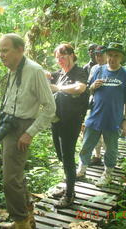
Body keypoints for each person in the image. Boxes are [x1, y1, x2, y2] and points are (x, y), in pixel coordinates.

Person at [0, 33, 56, 229]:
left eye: (5, 50)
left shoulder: (34, 70)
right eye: (0, 50)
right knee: (16, 177)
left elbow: (50, 107)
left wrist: (30, 132)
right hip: (9, 126)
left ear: (20, 50)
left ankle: (22, 228)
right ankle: (26, 218)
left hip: (21, 128)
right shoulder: (14, 70)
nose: (1, 55)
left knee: (9, 181)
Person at [77, 42, 126, 186]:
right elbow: (88, 91)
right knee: (86, 145)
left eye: (116, 56)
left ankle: (107, 174)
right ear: (106, 55)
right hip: (95, 116)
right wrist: (92, 87)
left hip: (113, 119)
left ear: (121, 58)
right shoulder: (98, 70)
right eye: (110, 55)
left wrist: (125, 120)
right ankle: (81, 169)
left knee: (111, 149)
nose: (112, 58)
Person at [47, 43, 89, 208]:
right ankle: (67, 186)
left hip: (71, 121)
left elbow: (80, 88)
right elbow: (44, 76)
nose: (60, 60)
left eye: (63, 56)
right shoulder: (59, 74)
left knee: (68, 157)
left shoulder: (79, 72)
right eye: (57, 58)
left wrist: (58, 87)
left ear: (72, 55)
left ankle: (70, 194)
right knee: (60, 155)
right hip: (56, 120)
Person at [89, 45, 107, 165]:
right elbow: (88, 88)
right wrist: (93, 86)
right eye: (97, 55)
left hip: (108, 106)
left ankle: (107, 159)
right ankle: (97, 156)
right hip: (95, 104)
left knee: (107, 133)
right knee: (94, 131)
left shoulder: (113, 69)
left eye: (101, 55)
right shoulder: (94, 69)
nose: (99, 57)